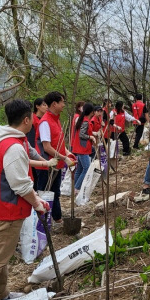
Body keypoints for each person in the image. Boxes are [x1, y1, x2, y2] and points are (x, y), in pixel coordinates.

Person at [0, 99, 52, 300]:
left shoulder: (6, 140)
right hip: (7, 211)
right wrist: (37, 203)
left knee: (1, 257)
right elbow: (21, 185)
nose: (35, 120)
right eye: (32, 117)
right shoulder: (13, 147)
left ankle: (0, 295)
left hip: (2, 208)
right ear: (26, 119)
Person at [35, 91, 75, 223]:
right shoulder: (45, 122)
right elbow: (47, 147)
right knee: (44, 193)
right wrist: (64, 158)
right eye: (62, 102)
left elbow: (58, 143)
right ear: (54, 104)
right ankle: (41, 223)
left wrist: (67, 152)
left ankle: (57, 218)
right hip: (47, 165)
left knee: (55, 193)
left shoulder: (56, 120)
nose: (64, 105)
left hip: (56, 165)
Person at [72, 103, 97, 192]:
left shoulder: (83, 120)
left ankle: (74, 187)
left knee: (80, 168)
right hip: (82, 148)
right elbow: (82, 134)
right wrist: (91, 137)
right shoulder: (85, 121)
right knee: (87, 168)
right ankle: (77, 188)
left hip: (81, 147)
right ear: (91, 112)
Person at [26, 98, 48, 186]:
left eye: (46, 105)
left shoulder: (44, 120)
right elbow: (31, 141)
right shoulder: (33, 121)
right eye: (44, 105)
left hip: (40, 155)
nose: (46, 107)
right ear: (37, 106)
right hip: (36, 154)